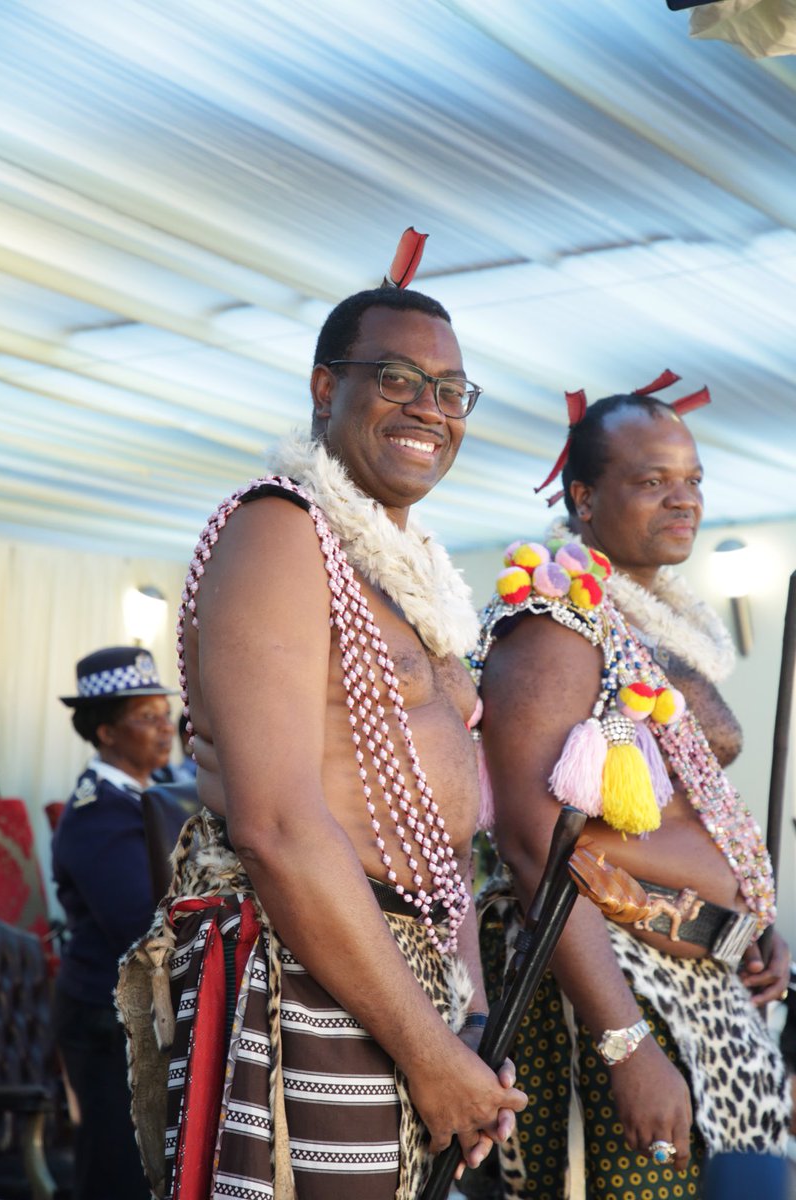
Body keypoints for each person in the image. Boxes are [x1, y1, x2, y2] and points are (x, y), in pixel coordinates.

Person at [120, 284, 527, 1200]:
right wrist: (428, 1052)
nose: (429, 408)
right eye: (397, 378)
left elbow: (443, 836)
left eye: (451, 390)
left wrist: (465, 1016)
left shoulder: (407, 579)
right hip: (308, 970)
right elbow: (275, 826)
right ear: (323, 388)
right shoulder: (277, 529)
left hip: (403, 979)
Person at [469, 383, 792, 1199]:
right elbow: (531, 841)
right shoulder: (553, 622)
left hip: (707, 993)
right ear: (582, 497)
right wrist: (627, 1047)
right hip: (611, 998)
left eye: (692, 479)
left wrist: (746, 925)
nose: (684, 498)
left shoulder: (650, 625)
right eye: (653, 481)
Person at [53, 645, 179, 1200]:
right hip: (105, 1021)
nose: (166, 728)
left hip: (144, 1011)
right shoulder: (98, 813)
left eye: (166, 714)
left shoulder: (160, 786)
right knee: (117, 1169)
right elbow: (140, 924)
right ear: (106, 732)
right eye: (147, 717)